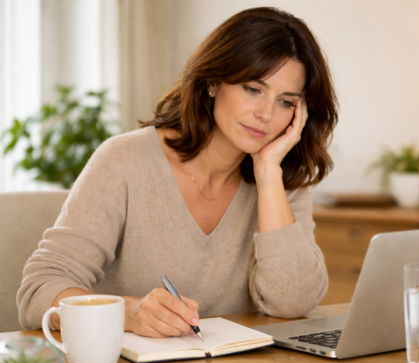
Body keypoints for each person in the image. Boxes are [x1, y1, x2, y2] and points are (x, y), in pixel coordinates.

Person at [17, 7, 338, 338]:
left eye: (285, 102)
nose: (266, 114)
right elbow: (39, 292)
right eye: (252, 89)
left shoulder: (283, 181)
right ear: (213, 82)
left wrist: (269, 173)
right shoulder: (125, 161)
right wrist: (127, 312)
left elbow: (292, 303)